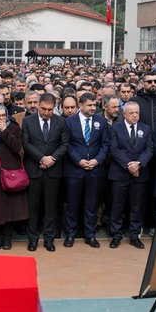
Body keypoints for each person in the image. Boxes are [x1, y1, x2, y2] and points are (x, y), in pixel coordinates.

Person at [22, 93, 68, 252]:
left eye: (50, 109)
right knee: (33, 207)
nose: (46, 112)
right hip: (34, 170)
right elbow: (26, 144)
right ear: (38, 106)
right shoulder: (28, 121)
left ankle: (49, 239)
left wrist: (52, 159)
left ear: (54, 107)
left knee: (51, 207)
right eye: (43, 109)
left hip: (53, 171)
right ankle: (32, 239)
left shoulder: (61, 121)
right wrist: (41, 158)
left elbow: (64, 144)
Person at [106, 101, 152, 249]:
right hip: (120, 173)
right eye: (131, 112)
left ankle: (134, 235)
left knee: (137, 206)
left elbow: (149, 149)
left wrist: (138, 164)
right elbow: (114, 149)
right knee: (117, 205)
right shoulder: (115, 128)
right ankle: (116, 235)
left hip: (139, 173)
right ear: (124, 114)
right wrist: (129, 165)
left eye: (137, 112)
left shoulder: (146, 129)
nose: (134, 115)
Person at [62, 93, 107, 248]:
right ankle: (70, 234)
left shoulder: (101, 121)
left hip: (95, 170)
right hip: (75, 170)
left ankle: (90, 235)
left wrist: (97, 160)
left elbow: (105, 144)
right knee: (72, 204)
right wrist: (79, 161)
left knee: (91, 205)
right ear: (80, 106)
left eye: (94, 105)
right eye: (89, 105)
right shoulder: (69, 122)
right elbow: (67, 144)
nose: (93, 108)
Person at [0, 103, 28, 249]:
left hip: (10, 173)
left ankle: (7, 238)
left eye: (3, 115)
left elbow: (16, 147)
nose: (0, 119)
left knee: (9, 207)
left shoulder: (13, 127)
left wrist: (4, 130)